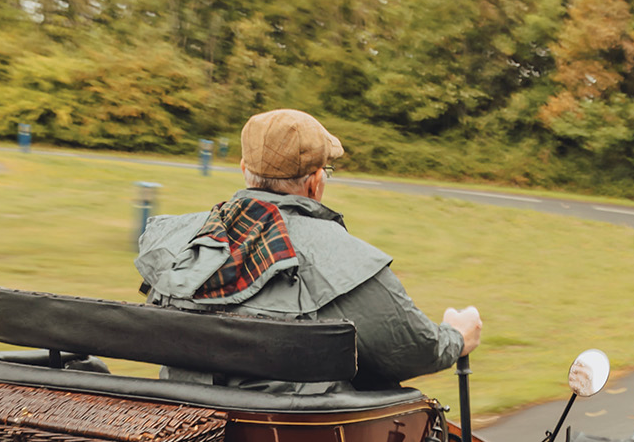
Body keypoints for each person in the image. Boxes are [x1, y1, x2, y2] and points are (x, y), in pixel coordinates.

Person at [135, 108, 482, 391]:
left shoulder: (178, 242)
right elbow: (411, 350)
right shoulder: (345, 261)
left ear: (244, 170)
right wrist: (456, 335)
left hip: (184, 439)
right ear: (316, 182)